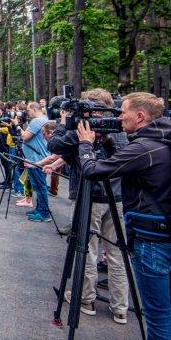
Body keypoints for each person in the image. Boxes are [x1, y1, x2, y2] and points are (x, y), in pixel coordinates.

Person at [76, 92, 171, 340]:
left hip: (151, 238)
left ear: (140, 116)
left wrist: (85, 145)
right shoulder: (169, 138)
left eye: (124, 112)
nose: (119, 117)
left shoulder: (144, 148)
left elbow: (93, 170)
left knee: (159, 317)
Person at [44, 88, 130, 324]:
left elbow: (54, 145)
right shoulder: (118, 127)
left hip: (89, 195)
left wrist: (64, 123)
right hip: (117, 196)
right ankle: (120, 307)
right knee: (117, 252)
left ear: (89, 107)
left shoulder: (85, 129)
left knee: (88, 248)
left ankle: (86, 299)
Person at [18, 102, 52, 222]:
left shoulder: (37, 121)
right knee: (38, 186)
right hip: (36, 158)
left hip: (36, 159)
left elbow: (25, 136)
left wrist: (17, 127)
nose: (27, 113)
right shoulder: (44, 119)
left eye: (28, 110)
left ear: (34, 109)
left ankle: (44, 213)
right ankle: (39, 209)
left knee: (40, 187)